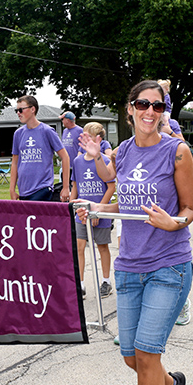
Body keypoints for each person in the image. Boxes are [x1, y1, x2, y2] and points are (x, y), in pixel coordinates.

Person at [78, 80, 193, 385]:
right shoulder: (123, 152)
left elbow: (190, 210)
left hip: (169, 265)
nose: (150, 111)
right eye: (142, 104)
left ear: (163, 111)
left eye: (157, 106)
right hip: (129, 265)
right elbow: (121, 200)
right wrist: (96, 207)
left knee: (147, 354)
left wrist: (173, 221)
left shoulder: (178, 151)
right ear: (129, 108)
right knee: (131, 358)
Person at [70, 124, 115, 300]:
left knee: (102, 246)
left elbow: (111, 187)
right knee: (79, 246)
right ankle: (80, 284)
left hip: (99, 211)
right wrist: (72, 206)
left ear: (98, 139)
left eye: (88, 136)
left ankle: (106, 281)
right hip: (81, 212)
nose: (84, 139)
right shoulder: (77, 161)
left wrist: (100, 211)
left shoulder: (104, 160)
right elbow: (76, 185)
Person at [10, 95, 70, 202]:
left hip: (42, 189)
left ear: (32, 109)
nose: (18, 113)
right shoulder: (18, 134)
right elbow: (15, 162)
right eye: (16, 110)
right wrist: (12, 189)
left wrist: (65, 187)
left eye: (21, 110)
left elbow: (65, 157)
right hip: (23, 191)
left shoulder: (47, 131)